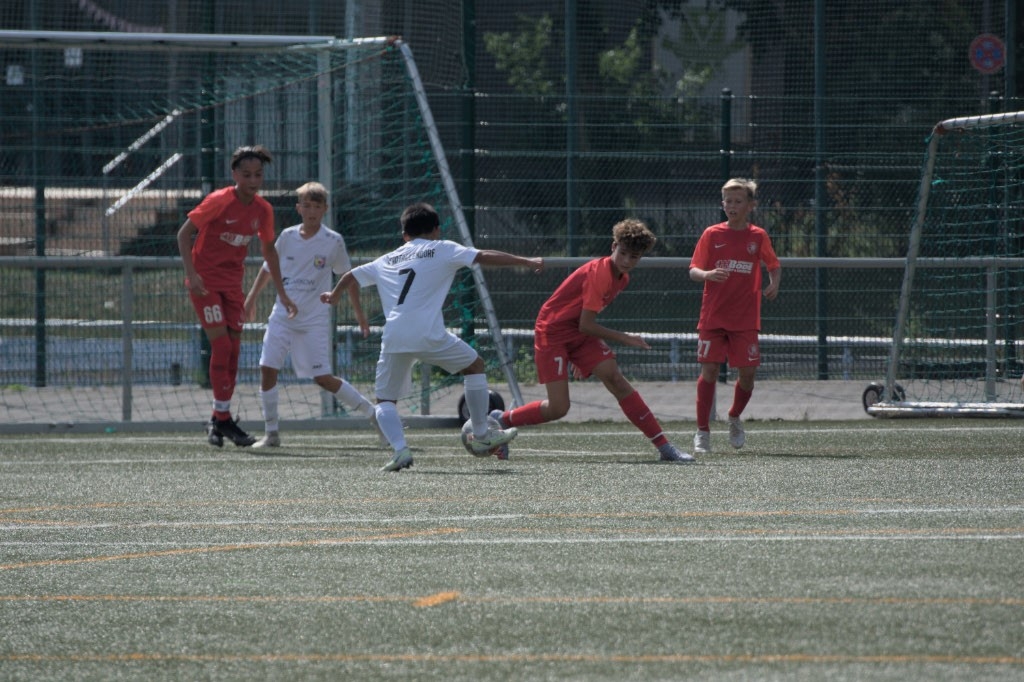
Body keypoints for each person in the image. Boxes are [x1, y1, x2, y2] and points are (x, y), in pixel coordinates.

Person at [321, 202, 543, 472]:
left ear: (404, 235)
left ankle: (400, 451)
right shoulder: (442, 248)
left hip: (394, 336)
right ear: (437, 230)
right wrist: (525, 261)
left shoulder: (386, 259)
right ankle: (482, 434)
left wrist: (333, 296)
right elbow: (483, 255)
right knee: (475, 366)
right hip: (428, 334)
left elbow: (350, 276)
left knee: (385, 401)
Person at [490, 218, 694, 464]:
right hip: (553, 332)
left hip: (577, 331)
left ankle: (665, 447)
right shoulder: (600, 275)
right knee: (558, 408)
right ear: (613, 247)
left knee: (615, 377)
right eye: (623, 253)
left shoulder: (622, 278)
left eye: (634, 257)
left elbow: (583, 323)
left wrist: (583, 355)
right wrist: (625, 338)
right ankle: (503, 419)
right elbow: (586, 325)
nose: (627, 261)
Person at [243, 181, 382, 449]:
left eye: (317, 206)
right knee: (267, 368)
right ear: (298, 208)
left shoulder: (333, 241)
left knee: (323, 378)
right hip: (282, 316)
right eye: (306, 206)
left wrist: (359, 314)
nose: (311, 211)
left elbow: (348, 277)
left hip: (314, 321)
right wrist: (251, 299)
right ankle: (271, 433)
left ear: (325, 209)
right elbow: (268, 268)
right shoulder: (287, 237)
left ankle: (374, 414)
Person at [177, 145, 296, 448]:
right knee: (221, 346)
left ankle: (219, 417)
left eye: (258, 174)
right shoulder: (219, 201)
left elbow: (269, 252)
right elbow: (184, 234)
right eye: (246, 174)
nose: (253, 180)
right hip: (206, 284)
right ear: (234, 175)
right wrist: (192, 274)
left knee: (233, 351)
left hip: (232, 285)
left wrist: (282, 293)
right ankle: (224, 418)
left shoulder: (263, 210)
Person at [688, 177, 781, 454]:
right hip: (713, 316)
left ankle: (733, 416)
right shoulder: (712, 234)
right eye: (728, 200)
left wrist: (774, 283)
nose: (732, 205)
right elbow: (693, 270)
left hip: (745, 319)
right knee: (709, 370)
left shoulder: (758, 236)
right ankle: (702, 431)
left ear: (750, 206)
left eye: (738, 201)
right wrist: (707, 274)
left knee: (748, 374)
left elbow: (773, 265)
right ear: (722, 204)